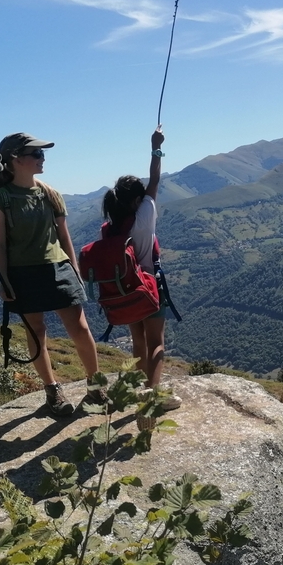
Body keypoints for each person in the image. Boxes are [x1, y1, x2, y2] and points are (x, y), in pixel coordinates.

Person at [0, 132, 104, 417]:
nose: (43, 159)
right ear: (16, 159)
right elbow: (0, 244)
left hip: (57, 267)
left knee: (79, 329)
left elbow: (64, 238)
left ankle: (95, 385)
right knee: (36, 331)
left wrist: (74, 271)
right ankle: (52, 390)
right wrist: (3, 280)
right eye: (37, 154)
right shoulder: (1, 199)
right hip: (22, 273)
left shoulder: (50, 194)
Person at [101, 126, 180, 409]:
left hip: (124, 290)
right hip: (148, 287)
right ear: (137, 200)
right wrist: (156, 147)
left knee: (138, 342)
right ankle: (153, 395)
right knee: (157, 343)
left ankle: (138, 390)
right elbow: (155, 181)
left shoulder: (110, 227)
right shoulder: (145, 217)